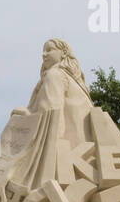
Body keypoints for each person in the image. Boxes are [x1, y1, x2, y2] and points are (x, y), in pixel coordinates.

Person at [7, 38, 94, 191]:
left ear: (63, 53)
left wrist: (26, 116)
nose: (44, 54)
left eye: (50, 50)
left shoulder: (55, 75)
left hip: (64, 155)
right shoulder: (74, 82)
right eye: (43, 50)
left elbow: (50, 114)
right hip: (84, 157)